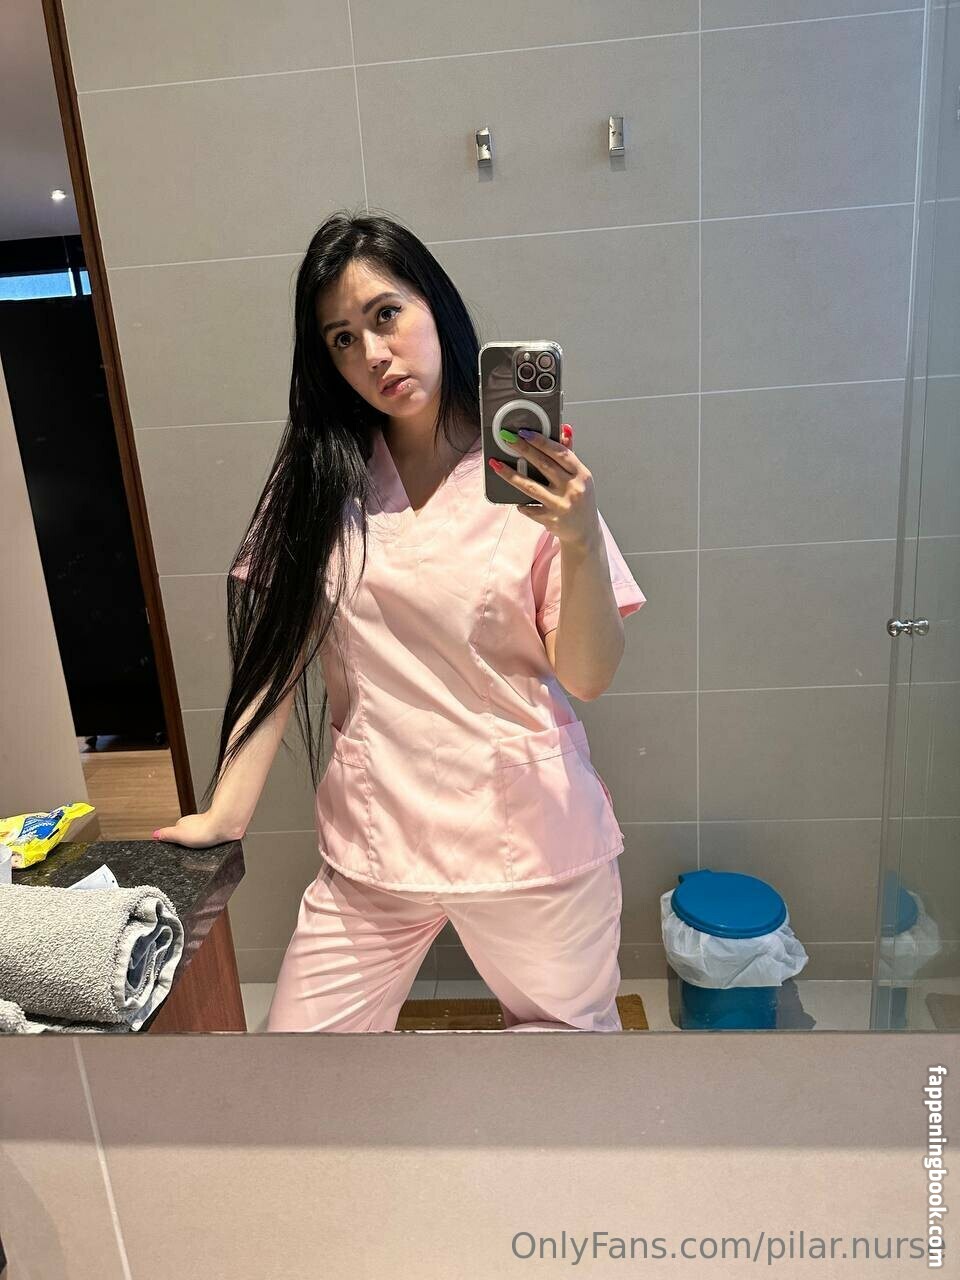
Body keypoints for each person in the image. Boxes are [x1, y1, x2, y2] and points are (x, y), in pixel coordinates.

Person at [153, 209, 647, 1033]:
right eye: (343, 339)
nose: (373, 354)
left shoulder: (530, 475)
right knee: (304, 1060)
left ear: (435, 306)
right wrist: (225, 815)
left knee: (563, 1073)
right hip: (377, 841)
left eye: (386, 315)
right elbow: (277, 664)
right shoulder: (319, 479)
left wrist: (580, 537)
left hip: (530, 841)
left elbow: (588, 676)